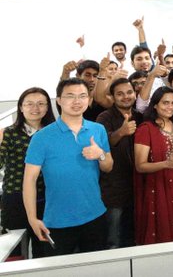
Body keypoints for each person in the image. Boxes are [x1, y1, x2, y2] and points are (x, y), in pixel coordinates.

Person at [23, 78, 113, 256]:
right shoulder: (41, 137)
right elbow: (29, 180)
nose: (77, 101)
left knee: (96, 267)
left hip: (95, 215)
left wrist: (100, 154)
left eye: (82, 96)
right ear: (59, 100)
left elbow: (108, 166)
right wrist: (32, 218)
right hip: (57, 221)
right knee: (58, 268)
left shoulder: (98, 129)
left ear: (89, 99)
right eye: (70, 96)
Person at [0, 88, 55, 258]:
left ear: (48, 107)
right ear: (21, 107)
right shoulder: (8, 133)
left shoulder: (54, 133)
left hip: (46, 198)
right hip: (15, 198)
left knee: (44, 249)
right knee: (15, 251)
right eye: (29, 104)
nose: (35, 108)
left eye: (40, 104)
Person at [134, 87, 173, 244]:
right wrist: (165, 164)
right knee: (160, 225)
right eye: (165, 103)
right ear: (155, 105)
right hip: (157, 186)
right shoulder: (146, 129)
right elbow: (140, 165)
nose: (170, 107)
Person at [96, 78, 142, 249]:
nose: (126, 97)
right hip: (113, 187)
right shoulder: (104, 117)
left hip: (137, 185)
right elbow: (102, 145)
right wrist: (120, 132)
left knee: (133, 234)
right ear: (112, 97)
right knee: (113, 238)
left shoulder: (140, 116)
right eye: (120, 94)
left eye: (129, 92)